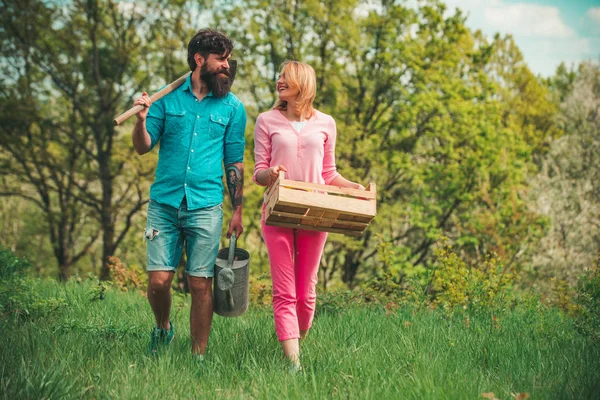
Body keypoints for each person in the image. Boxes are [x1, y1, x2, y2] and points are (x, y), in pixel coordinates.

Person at [131, 29, 246, 362]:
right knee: (158, 281)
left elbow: (234, 161)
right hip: (164, 204)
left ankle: (198, 357)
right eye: (221, 59)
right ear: (200, 60)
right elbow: (142, 147)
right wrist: (141, 120)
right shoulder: (166, 99)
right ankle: (163, 327)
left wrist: (237, 211)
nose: (227, 65)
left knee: (200, 284)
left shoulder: (233, 108)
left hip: (206, 206)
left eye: (227, 59)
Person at [252, 61, 365, 372]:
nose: (278, 81)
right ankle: (294, 364)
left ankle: (297, 339)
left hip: (316, 212)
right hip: (277, 210)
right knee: (285, 290)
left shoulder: (326, 123)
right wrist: (270, 173)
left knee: (306, 293)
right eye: (278, 76)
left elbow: (328, 173)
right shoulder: (266, 121)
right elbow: (259, 172)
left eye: (285, 77)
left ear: (303, 82)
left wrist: (353, 186)